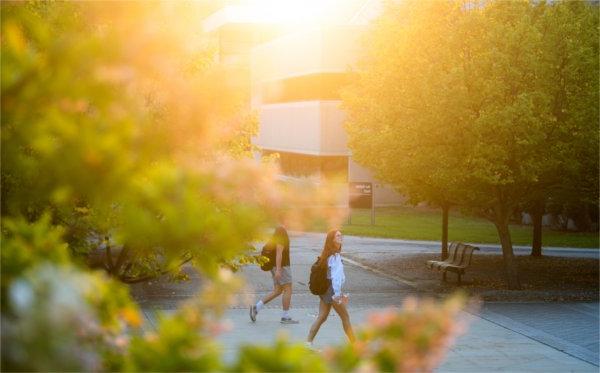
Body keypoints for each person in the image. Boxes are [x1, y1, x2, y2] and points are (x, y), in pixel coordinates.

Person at [306, 229, 355, 348]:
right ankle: (355, 345)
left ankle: (307, 343)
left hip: (325, 290)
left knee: (322, 317)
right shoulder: (334, 256)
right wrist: (338, 294)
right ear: (332, 240)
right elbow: (336, 278)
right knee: (345, 317)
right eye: (338, 236)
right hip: (333, 291)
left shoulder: (327, 254)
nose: (341, 237)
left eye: (341, 235)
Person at [250, 225, 299, 324]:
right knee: (288, 289)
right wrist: (278, 269)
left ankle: (256, 307)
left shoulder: (277, 233)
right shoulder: (281, 233)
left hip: (275, 267)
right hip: (282, 267)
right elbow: (279, 253)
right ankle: (285, 317)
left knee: (277, 290)